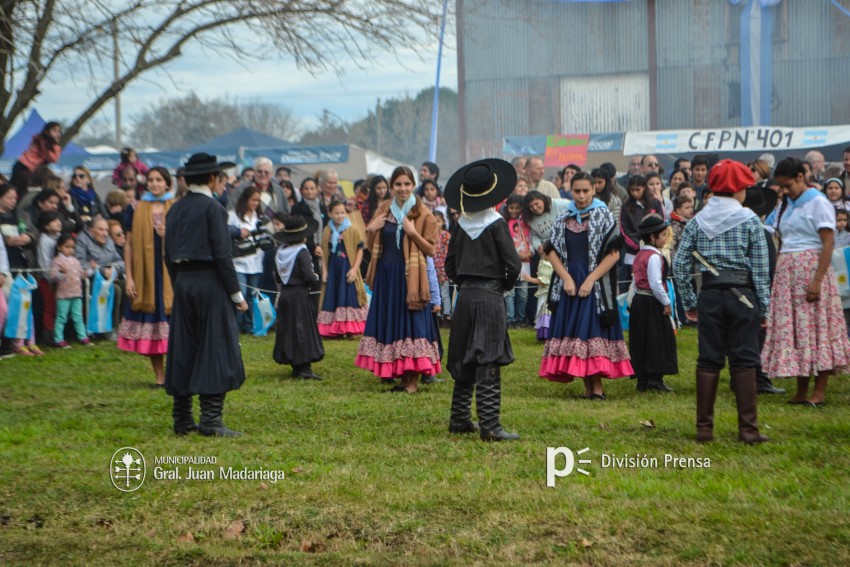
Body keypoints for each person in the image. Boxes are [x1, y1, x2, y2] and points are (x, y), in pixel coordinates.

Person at [673, 159, 770, 444]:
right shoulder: (751, 220)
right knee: (745, 359)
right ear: (739, 189)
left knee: (708, 360)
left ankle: (704, 429)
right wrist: (763, 306)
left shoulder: (696, 222)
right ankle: (748, 430)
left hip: (711, 296)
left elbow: (679, 266)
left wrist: (690, 301)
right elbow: (761, 270)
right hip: (743, 296)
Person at [164, 153, 248, 437]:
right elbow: (222, 255)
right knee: (215, 345)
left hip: (184, 282)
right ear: (212, 179)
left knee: (184, 347)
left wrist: (179, 285)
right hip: (210, 282)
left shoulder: (174, 209)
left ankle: (182, 419)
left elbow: (168, 254)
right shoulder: (214, 210)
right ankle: (211, 420)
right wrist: (236, 294)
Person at [762, 157, 850, 408]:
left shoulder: (819, 203)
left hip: (812, 270)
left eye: (788, 185)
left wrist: (817, 280)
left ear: (801, 177)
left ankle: (819, 392)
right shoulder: (786, 205)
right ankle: (801, 390)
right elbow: (782, 240)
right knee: (799, 332)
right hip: (788, 274)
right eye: (782, 187)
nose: (785, 190)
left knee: (819, 329)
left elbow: (828, 243)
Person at [444, 158, 521, 441]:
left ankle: (460, 418)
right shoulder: (496, 224)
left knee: (465, 355)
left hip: (465, 296)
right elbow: (513, 264)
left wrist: (464, 283)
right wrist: (504, 286)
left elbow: (449, 265)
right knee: (487, 356)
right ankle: (490, 426)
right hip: (489, 296)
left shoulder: (461, 224)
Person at [540, 172, 632, 399]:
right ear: (571, 191)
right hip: (569, 283)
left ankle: (597, 388)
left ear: (594, 190)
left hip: (597, 285)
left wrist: (591, 279)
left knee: (591, 329)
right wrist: (566, 279)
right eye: (577, 191)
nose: (581, 196)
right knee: (575, 331)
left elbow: (613, 255)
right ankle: (587, 387)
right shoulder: (563, 218)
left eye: (585, 191)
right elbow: (551, 252)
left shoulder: (604, 216)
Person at [355, 166, 441, 393]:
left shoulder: (423, 214)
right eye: (398, 185)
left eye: (407, 184)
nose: (402, 189)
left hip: (410, 277)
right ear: (392, 187)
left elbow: (431, 250)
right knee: (392, 323)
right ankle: (401, 375)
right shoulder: (384, 209)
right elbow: (372, 243)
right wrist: (371, 229)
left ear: (413, 186)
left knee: (412, 324)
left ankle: (412, 381)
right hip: (386, 275)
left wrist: (412, 233)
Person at [118, 166, 174, 386]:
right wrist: (130, 277)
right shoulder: (135, 208)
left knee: (176, 328)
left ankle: (176, 373)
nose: (154, 183)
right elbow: (129, 245)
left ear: (167, 183)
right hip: (146, 276)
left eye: (159, 180)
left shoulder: (176, 207)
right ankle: (160, 376)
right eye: (151, 180)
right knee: (152, 328)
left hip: (171, 275)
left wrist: (170, 236)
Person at [272, 214, 325, 379]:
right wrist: (316, 277)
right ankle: (304, 368)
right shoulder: (302, 252)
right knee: (302, 328)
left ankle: (295, 364)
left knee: (289, 328)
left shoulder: (280, 251)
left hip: (286, 294)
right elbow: (309, 276)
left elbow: (278, 277)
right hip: (299, 294)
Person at [629, 214, 677, 392]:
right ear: (652, 237)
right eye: (663, 235)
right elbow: (656, 283)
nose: (665, 239)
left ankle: (643, 379)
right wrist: (666, 302)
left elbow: (634, 281)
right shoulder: (655, 257)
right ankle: (655, 380)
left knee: (642, 339)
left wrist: (630, 301)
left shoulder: (640, 254)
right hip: (651, 301)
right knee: (657, 339)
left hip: (639, 300)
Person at [318, 200, 368, 337]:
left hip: (347, 268)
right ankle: (334, 328)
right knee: (333, 296)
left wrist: (355, 269)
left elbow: (360, 249)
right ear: (330, 214)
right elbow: (324, 251)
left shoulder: (352, 229)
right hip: (334, 270)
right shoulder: (327, 231)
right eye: (336, 213)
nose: (340, 216)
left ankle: (350, 328)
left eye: (342, 213)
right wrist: (325, 271)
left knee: (349, 296)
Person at [228, 186, 266, 334]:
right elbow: (227, 233)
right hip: (239, 263)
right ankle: (235, 326)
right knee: (240, 294)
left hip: (256, 262)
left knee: (251, 295)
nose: (255, 203)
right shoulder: (233, 215)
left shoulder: (260, 218)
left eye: (258, 200)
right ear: (245, 199)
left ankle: (249, 326)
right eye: (253, 200)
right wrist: (240, 234)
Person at [49, 234, 91, 348]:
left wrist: (91, 270)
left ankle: (83, 337)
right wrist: (61, 273)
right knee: (61, 317)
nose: (70, 250)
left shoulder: (75, 261)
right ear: (59, 247)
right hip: (63, 295)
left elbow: (82, 275)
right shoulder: (57, 261)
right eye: (67, 247)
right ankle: (58, 339)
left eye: (72, 247)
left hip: (76, 293)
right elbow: (52, 276)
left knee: (78, 316)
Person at [10, 122, 62, 198]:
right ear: (47, 131)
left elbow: (55, 159)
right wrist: (56, 145)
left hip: (30, 170)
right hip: (24, 167)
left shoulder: (50, 144)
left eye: (59, 131)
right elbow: (51, 157)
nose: (57, 134)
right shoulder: (41, 141)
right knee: (15, 191)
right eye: (54, 131)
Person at [502, 194, 531, 326]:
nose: (514, 211)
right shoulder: (503, 222)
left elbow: (532, 239)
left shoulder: (527, 222)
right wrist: (516, 254)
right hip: (509, 262)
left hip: (526, 263)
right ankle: (510, 319)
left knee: (523, 293)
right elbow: (504, 244)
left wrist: (531, 252)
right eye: (511, 208)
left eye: (517, 208)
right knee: (510, 293)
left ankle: (520, 319)